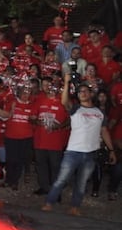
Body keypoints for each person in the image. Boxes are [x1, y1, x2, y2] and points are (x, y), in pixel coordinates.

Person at [43, 76, 117, 215]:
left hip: (91, 153)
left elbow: (104, 131)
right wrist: (66, 82)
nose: (82, 93)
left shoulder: (99, 113)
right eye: (79, 92)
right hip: (73, 152)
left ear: (90, 94)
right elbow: (64, 101)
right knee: (61, 179)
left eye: (85, 91)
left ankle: (75, 207)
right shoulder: (76, 109)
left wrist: (111, 150)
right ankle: (49, 203)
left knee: (81, 183)